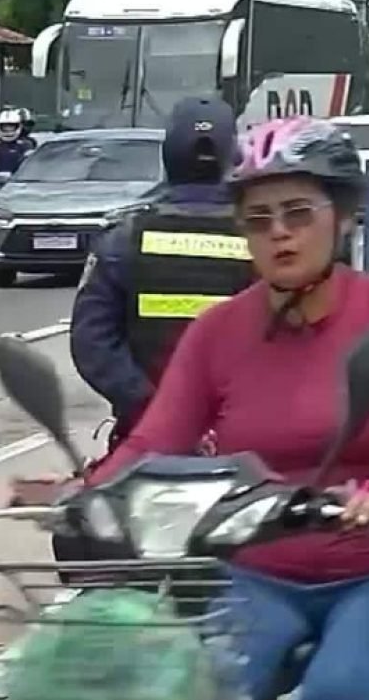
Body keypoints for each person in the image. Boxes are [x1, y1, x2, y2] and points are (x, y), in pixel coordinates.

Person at [17, 117, 369, 700]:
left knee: (345, 697)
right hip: (263, 570)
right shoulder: (220, 330)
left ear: (344, 219)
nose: (278, 234)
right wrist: (86, 487)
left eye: (298, 214)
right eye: (258, 220)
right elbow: (153, 441)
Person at [70, 96, 252, 451]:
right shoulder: (265, 238)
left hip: (147, 441)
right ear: (235, 155)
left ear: (168, 155)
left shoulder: (123, 239)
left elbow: (92, 343)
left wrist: (151, 407)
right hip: (245, 445)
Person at [0, 108, 35, 176]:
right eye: (5, 127)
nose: (8, 130)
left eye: (11, 127)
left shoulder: (26, 144)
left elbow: (30, 164)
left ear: (19, 126)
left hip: (17, 179)